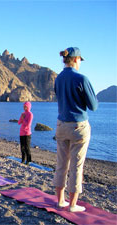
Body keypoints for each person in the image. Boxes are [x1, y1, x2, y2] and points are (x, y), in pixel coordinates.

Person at [53, 47, 98, 212]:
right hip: (78, 126)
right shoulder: (82, 79)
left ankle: (60, 201)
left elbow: (60, 98)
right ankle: (72, 204)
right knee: (76, 166)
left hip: (61, 124)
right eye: (80, 60)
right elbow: (93, 106)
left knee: (61, 164)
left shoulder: (58, 79)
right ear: (76, 59)